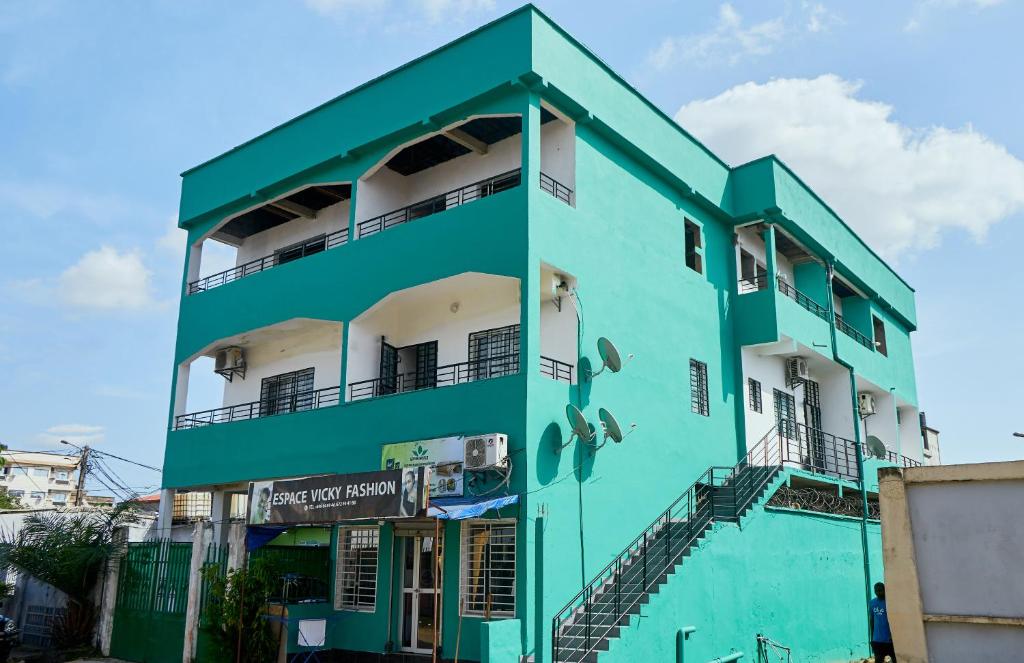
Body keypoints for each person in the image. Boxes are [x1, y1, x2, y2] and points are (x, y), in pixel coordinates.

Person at [869, 582, 896, 662]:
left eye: (880, 590)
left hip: (890, 640)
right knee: (878, 660)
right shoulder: (872, 603)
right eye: (876, 591)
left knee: (895, 659)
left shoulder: (890, 602)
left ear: (885, 590)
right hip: (877, 640)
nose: (878, 592)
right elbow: (872, 620)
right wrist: (872, 638)